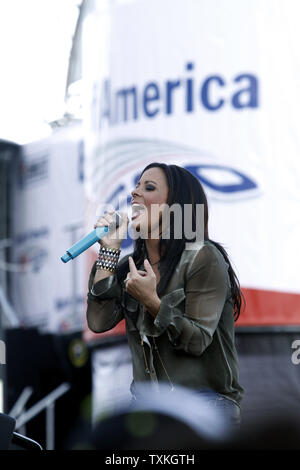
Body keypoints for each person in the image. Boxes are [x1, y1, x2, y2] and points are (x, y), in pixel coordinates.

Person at [86, 163, 244, 429]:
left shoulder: (203, 257)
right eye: (135, 188)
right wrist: (109, 253)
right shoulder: (129, 266)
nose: (134, 194)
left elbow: (196, 341)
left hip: (205, 406)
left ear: (175, 205)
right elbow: (98, 322)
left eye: (148, 188)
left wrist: (152, 303)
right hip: (148, 409)